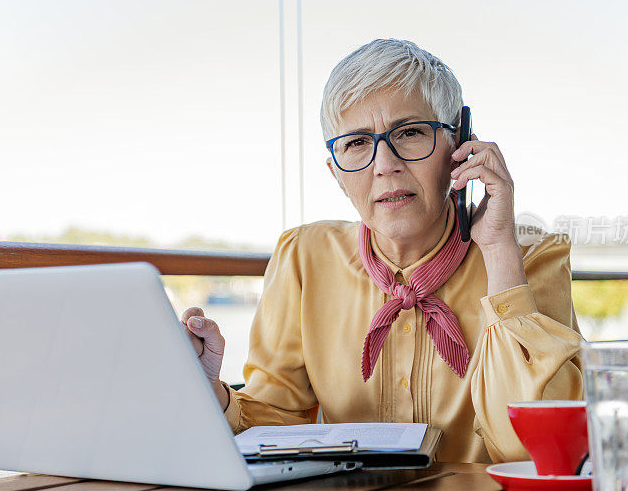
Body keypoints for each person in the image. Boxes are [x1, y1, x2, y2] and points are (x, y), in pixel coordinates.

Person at [180, 38, 584, 464]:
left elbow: (540, 452)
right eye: (356, 143)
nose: (384, 164)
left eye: (409, 133)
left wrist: (501, 252)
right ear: (335, 172)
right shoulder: (303, 258)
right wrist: (212, 392)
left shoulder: (530, 258)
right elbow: (277, 426)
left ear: (460, 148)